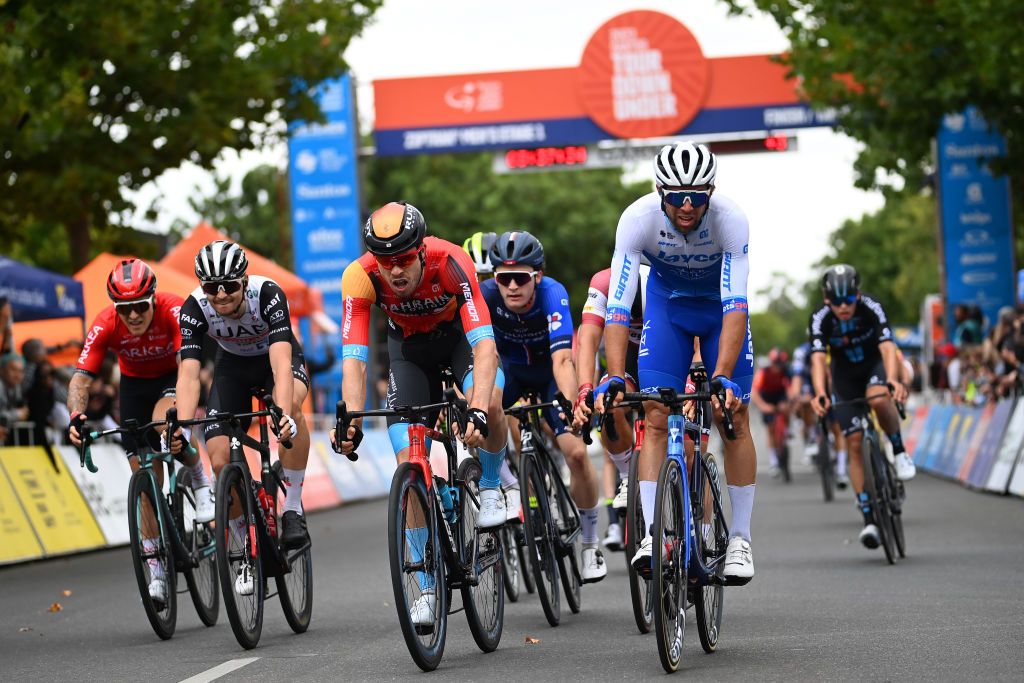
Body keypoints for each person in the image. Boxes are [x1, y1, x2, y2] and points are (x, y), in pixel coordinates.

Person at [333, 202, 509, 626]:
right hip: (409, 354)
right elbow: (354, 359)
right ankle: (427, 587)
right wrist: (351, 420)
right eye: (385, 261)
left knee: (494, 402)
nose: (395, 271)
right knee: (409, 464)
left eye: (404, 260)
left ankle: (488, 485)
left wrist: (479, 409)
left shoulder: (450, 262)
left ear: (420, 249)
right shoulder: (359, 276)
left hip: (459, 342)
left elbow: (485, 345)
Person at [597, 141, 757, 584]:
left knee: (733, 414)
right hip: (667, 308)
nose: (687, 206)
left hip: (717, 311)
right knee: (653, 411)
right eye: (676, 196)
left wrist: (721, 374)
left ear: (711, 192)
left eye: (697, 196)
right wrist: (613, 375)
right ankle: (652, 534)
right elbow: (618, 304)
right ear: (659, 191)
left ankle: (740, 538)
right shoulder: (637, 219)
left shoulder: (731, 220)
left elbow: (736, 304)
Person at [66, 258, 215, 604]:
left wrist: (181, 405)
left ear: (153, 299)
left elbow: (187, 366)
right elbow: (80, 380)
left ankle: (197, 473)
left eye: (139, 307)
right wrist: (76, 415)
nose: (133, 316)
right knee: (145, 478)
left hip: (171, 378)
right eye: (125, 309)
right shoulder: (104, 324)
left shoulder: (174, 309)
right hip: (133, 386)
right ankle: (156, 568)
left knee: (166, 428)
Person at [171, 240, 310, 595]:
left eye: (229, 286)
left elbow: (281, 363)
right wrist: (183, 429)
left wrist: (280, 411)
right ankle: (244, 549)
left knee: (290, 406)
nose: (220, 295)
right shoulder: (194, 307)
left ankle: (292, 507)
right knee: (219, 459)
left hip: (274, 361)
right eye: (211, 287)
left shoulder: (268, 295)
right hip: (231, 367)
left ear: (244, 281)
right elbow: (188, 374)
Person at [481, 230, 606, 583]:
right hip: (512, 372)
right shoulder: (486, 296)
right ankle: (512, 486)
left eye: (521, 277)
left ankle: (589, 542)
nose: (513, 287)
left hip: (550, 371)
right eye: (505, 278)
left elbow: (564, 359)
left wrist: (569, 404)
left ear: (537, 275)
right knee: (479, 419)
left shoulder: (553, 294)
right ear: (495, 279)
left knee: (576, 453)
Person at [809, 264, 915, 550]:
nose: (843, 307)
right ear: (826, 299)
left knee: (880, 398)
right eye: (836, 302)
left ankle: (899, 450)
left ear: (857, 295)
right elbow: (818, 359)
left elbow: (887, 347)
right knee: (853, 442)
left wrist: (892, 379)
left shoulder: (871, 306)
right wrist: (820, 392)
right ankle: (869, 518)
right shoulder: (819, 318)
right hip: (844, 377)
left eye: (849, 300)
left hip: (874, 367)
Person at [572, 260, 650, 553]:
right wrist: (584, 392)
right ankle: (629, 476)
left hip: (665, 353)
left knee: (681, 439)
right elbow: (588, 342)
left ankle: (695, 519)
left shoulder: (659, 278)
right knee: (610, 404)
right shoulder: (603, 282)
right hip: (627, 360)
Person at [751, 347, 791, 477]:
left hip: (780, 395)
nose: (777, 368)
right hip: (766, 397)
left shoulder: (786, 372)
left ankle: (787, 430)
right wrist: (763, 406)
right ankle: (773, 461)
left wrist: (788, 402)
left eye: (780, 365)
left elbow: (791, 388)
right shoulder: (763, 372)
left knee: (785, 409)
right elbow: (755, 391)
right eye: (775, 364)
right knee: (771, 429)